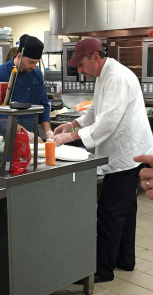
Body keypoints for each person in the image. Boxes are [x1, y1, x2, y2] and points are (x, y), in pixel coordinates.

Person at [53, 38, 153, 283]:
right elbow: (97, 109)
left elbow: (108, 121)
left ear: (95, 56)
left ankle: (102, 270)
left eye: (81, 64)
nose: (79, 70)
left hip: (126, 154)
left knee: (110, 212)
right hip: (130, 152)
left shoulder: (116, 76)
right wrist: (73, 123)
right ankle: (124, 260)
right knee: (126, 210)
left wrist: (70, 137)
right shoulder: (104, 75)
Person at [0, 34, 53, 142]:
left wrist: (48, 131)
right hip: (4, 139)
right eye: (31, 62)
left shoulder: (36, 75)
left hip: (30, 139)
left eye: (36, 63)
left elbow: (44, 105)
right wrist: (25, 134)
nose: (34, 67)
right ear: (19, 56)